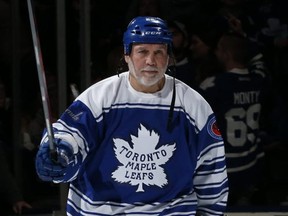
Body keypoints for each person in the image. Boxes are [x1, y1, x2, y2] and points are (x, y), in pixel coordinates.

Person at [35, 16, 229, 215]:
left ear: (169, 57)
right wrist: (59, 154)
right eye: (142, 51)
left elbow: (211, 168)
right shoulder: (99, 97)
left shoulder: (193, 105)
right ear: (127, 55)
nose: (150, 61)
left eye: (158, 52)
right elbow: (69, 135)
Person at [198, 32, 272, 206]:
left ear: (226, 54)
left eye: (218, 50)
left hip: (225, 168)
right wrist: (243, 35)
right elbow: (259, 61)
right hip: (253, 164)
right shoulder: (258, 79)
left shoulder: (214, 85)